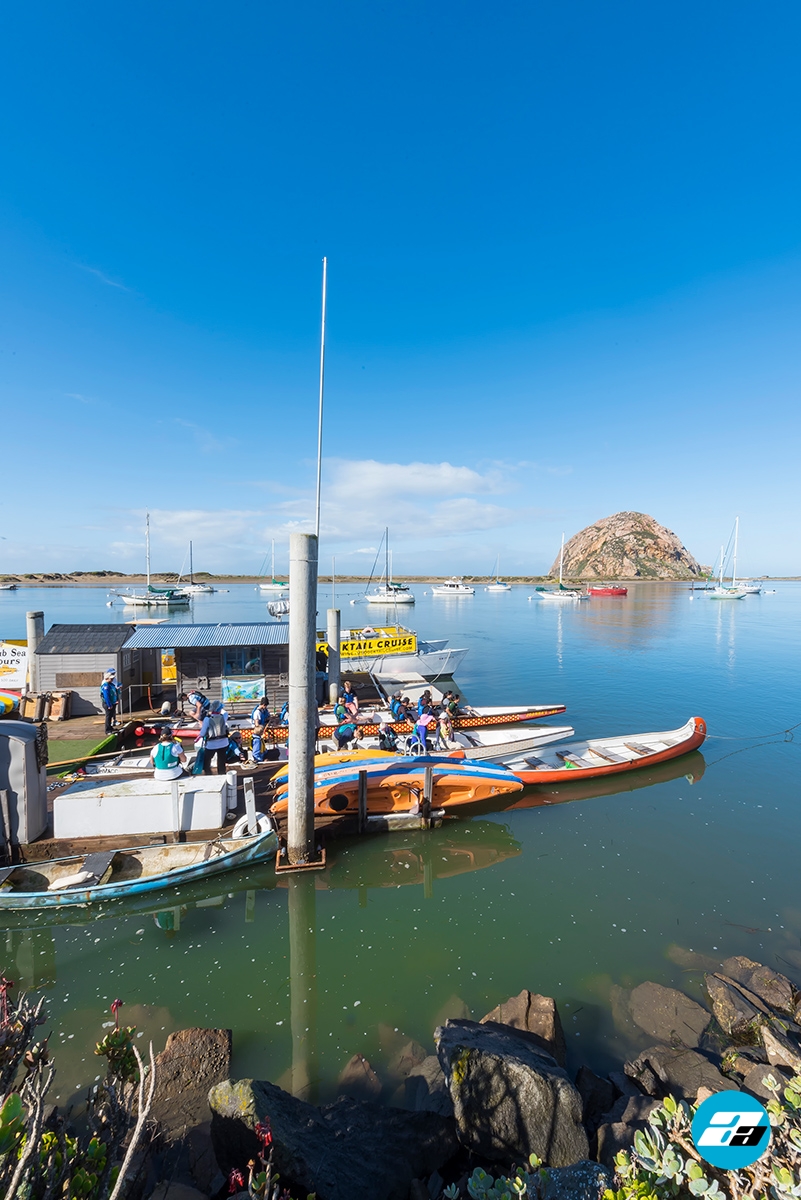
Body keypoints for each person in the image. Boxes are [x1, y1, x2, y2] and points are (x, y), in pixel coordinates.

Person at [197, 700, 230, 775]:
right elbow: (225, 712)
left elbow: (202, 733)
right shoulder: (224, 717)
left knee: (207, 760)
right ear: (220, 709)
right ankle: (221, 774)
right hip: (224, 743)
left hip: (211, 745)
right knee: (221, 761)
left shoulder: (207, 719)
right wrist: (220, 708)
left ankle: (208, 773)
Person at [250, 696, 271, 764]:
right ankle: (261, 759)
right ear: (263, 704)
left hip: (261, 731)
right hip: (259, 732)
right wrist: (261, 732)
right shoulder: (257, 712)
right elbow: (257, 724)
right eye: (266, 706)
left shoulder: (263, 711)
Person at [100, 669, 119, 734]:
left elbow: (114, 693)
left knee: (111, 716)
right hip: (108, 703)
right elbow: (106, 696)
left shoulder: (111, 685)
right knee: (108, 716)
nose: (112, 679)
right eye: (111, 679)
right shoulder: (106, 685)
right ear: (107, 678)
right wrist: (109, 705)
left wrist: (116, 700)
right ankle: (107, 730)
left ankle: (110, 728)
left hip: (112, 702)